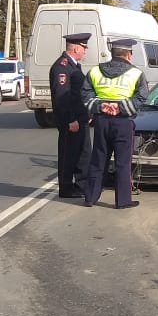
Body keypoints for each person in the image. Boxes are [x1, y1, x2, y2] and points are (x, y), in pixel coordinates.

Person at [82, 38, 149, 209]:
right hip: (123, 122)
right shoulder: (136, 73)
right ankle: (123, 200)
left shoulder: (95, 71)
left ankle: (90, 197)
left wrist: (101, 106)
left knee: (98, 159)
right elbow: (141, 97)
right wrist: (120, 108)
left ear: (112, 53)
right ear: (128, 54)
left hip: (101, 121)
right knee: (122, 162)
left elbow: (85, 94)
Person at [50, 33, 93, 199]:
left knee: (83, 154)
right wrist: (70, 119)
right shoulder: (62, 68)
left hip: (80, 118)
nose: (84, 52)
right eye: (83, 48)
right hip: (71, 120)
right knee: (69, 155)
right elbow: (62, 96)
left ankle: (82, 185)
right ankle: (66, 188)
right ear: (76, 48)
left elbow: (78, 94)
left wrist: (86, 114)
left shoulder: (74, 66)